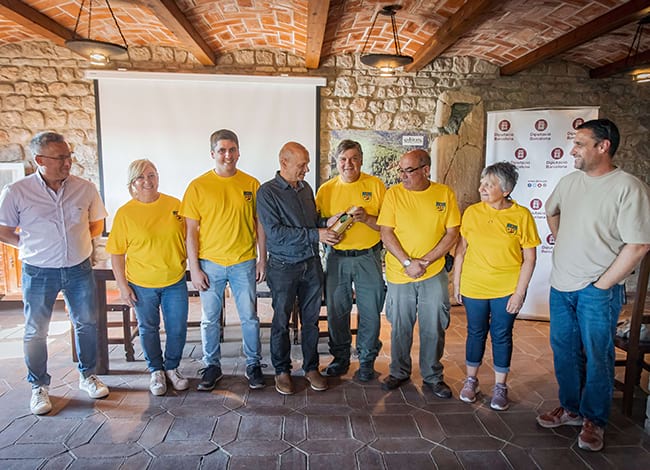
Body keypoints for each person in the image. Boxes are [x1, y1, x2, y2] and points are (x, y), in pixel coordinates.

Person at [537, 119, 650, 452]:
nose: (573, 149)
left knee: (597, 356)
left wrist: (602, 285)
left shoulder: (628, 187)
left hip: (596, 292)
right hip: (561, 287)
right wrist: (563, 242)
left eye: (580, 143)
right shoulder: (571, 181)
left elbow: (639, 245)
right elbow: (550, 210)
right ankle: (571, 408)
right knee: (565, 353)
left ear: (604, 146)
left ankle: (594, 419)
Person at [0, 131, 110, 415]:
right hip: (38, 271)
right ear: (39, 160)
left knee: (86, 323)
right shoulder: (17, 192)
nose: (67, 162)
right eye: (60, 157)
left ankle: (88, 375)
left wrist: (77, 244)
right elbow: (4, 229)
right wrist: (29, 244)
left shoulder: (85, 188)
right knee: (36, 330)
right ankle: (39, 386)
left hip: (79, 268)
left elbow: (96, 225)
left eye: (68, 156)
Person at [180, 129, 266, 391]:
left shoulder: (252, 184)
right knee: (209, 319)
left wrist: (263, 259)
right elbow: (190, 231)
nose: (227, 155)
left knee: (249, 317)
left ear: (239, 152)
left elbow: (260, 224)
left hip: (244, 261)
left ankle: (253, 365)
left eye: (232, 150)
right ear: (212, 154)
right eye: (222, 150)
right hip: (210, 264)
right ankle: (212, 366)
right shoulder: (197, 186)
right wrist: (194, 268)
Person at [453, 162, 540, 410]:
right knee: (475, 332)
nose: (482, 188)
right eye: (482, 183)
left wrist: (520, 293)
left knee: (501, 334)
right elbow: (461, 250)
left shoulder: (521, 215)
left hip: (506, 288)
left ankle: (500, 386)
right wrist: (457, 282)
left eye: (489, 185)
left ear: (506, 189)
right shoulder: (471, 213)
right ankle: (471, 381)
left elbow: (530, 258)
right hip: (474, 284)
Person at [257, 141, 341, 395]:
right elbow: (276, 234)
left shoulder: (305, 189)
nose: (306, 170)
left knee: (312, 321)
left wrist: (329, 222)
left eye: (306, 164)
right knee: (281, 321)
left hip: (311, 264)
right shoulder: (267, 193)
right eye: (302, 165)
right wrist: (318, 234)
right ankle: (282, 371)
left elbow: (312, 222)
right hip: (283, 267)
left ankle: (311, 368)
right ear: (284, 163)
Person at [377, 149, 460, 397]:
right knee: (400, 324)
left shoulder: (444, 194)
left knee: (434, 325)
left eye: (408, 170)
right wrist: (407, 262)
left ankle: (433, 376)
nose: (402, 175)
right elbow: (386, 233)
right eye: (400, 170)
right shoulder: (393, 194)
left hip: (432, 272)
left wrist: (424, 261)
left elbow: (452, 233)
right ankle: (399, 372)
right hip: (400, 273)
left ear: (425, 170)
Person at [106, 159, 189, 396]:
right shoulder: (125, 213)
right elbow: (117, 254)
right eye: (141, 177)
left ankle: (172, 368)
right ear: (132, 183)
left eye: (151, 175)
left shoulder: (175, 205)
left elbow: (190, 237)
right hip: (141, 284)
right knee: (148, 328)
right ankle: (156, 371)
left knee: (176, 328)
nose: (147, 181)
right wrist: (123, 287)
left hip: (174, 279)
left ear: (158, 177)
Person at [315, 140, 386, 381]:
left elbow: (386, 226)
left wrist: (366, 218)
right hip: (337, 259)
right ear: (336, 162)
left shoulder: (375, 185)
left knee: (370, 312)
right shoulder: (325, 190)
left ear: (361, 160)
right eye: (343, 159)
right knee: (337, 311)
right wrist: (328, 229)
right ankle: (341, 358)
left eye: (354, 158)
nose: (349, 164)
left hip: (369, 257)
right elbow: (317, 223)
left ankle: (366, 360)